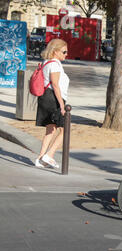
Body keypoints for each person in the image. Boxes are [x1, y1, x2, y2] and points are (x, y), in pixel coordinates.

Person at [34, 39, 70, 169]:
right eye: (64, 51)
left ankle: (40, 158)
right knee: (64, 130)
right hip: (53, 98)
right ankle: (49, 155)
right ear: (55, 51)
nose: (66, 54)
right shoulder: (54, 64)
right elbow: (55, 85)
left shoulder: (46, 62)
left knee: (50, 129)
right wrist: (61, 105)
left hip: (45, 97)